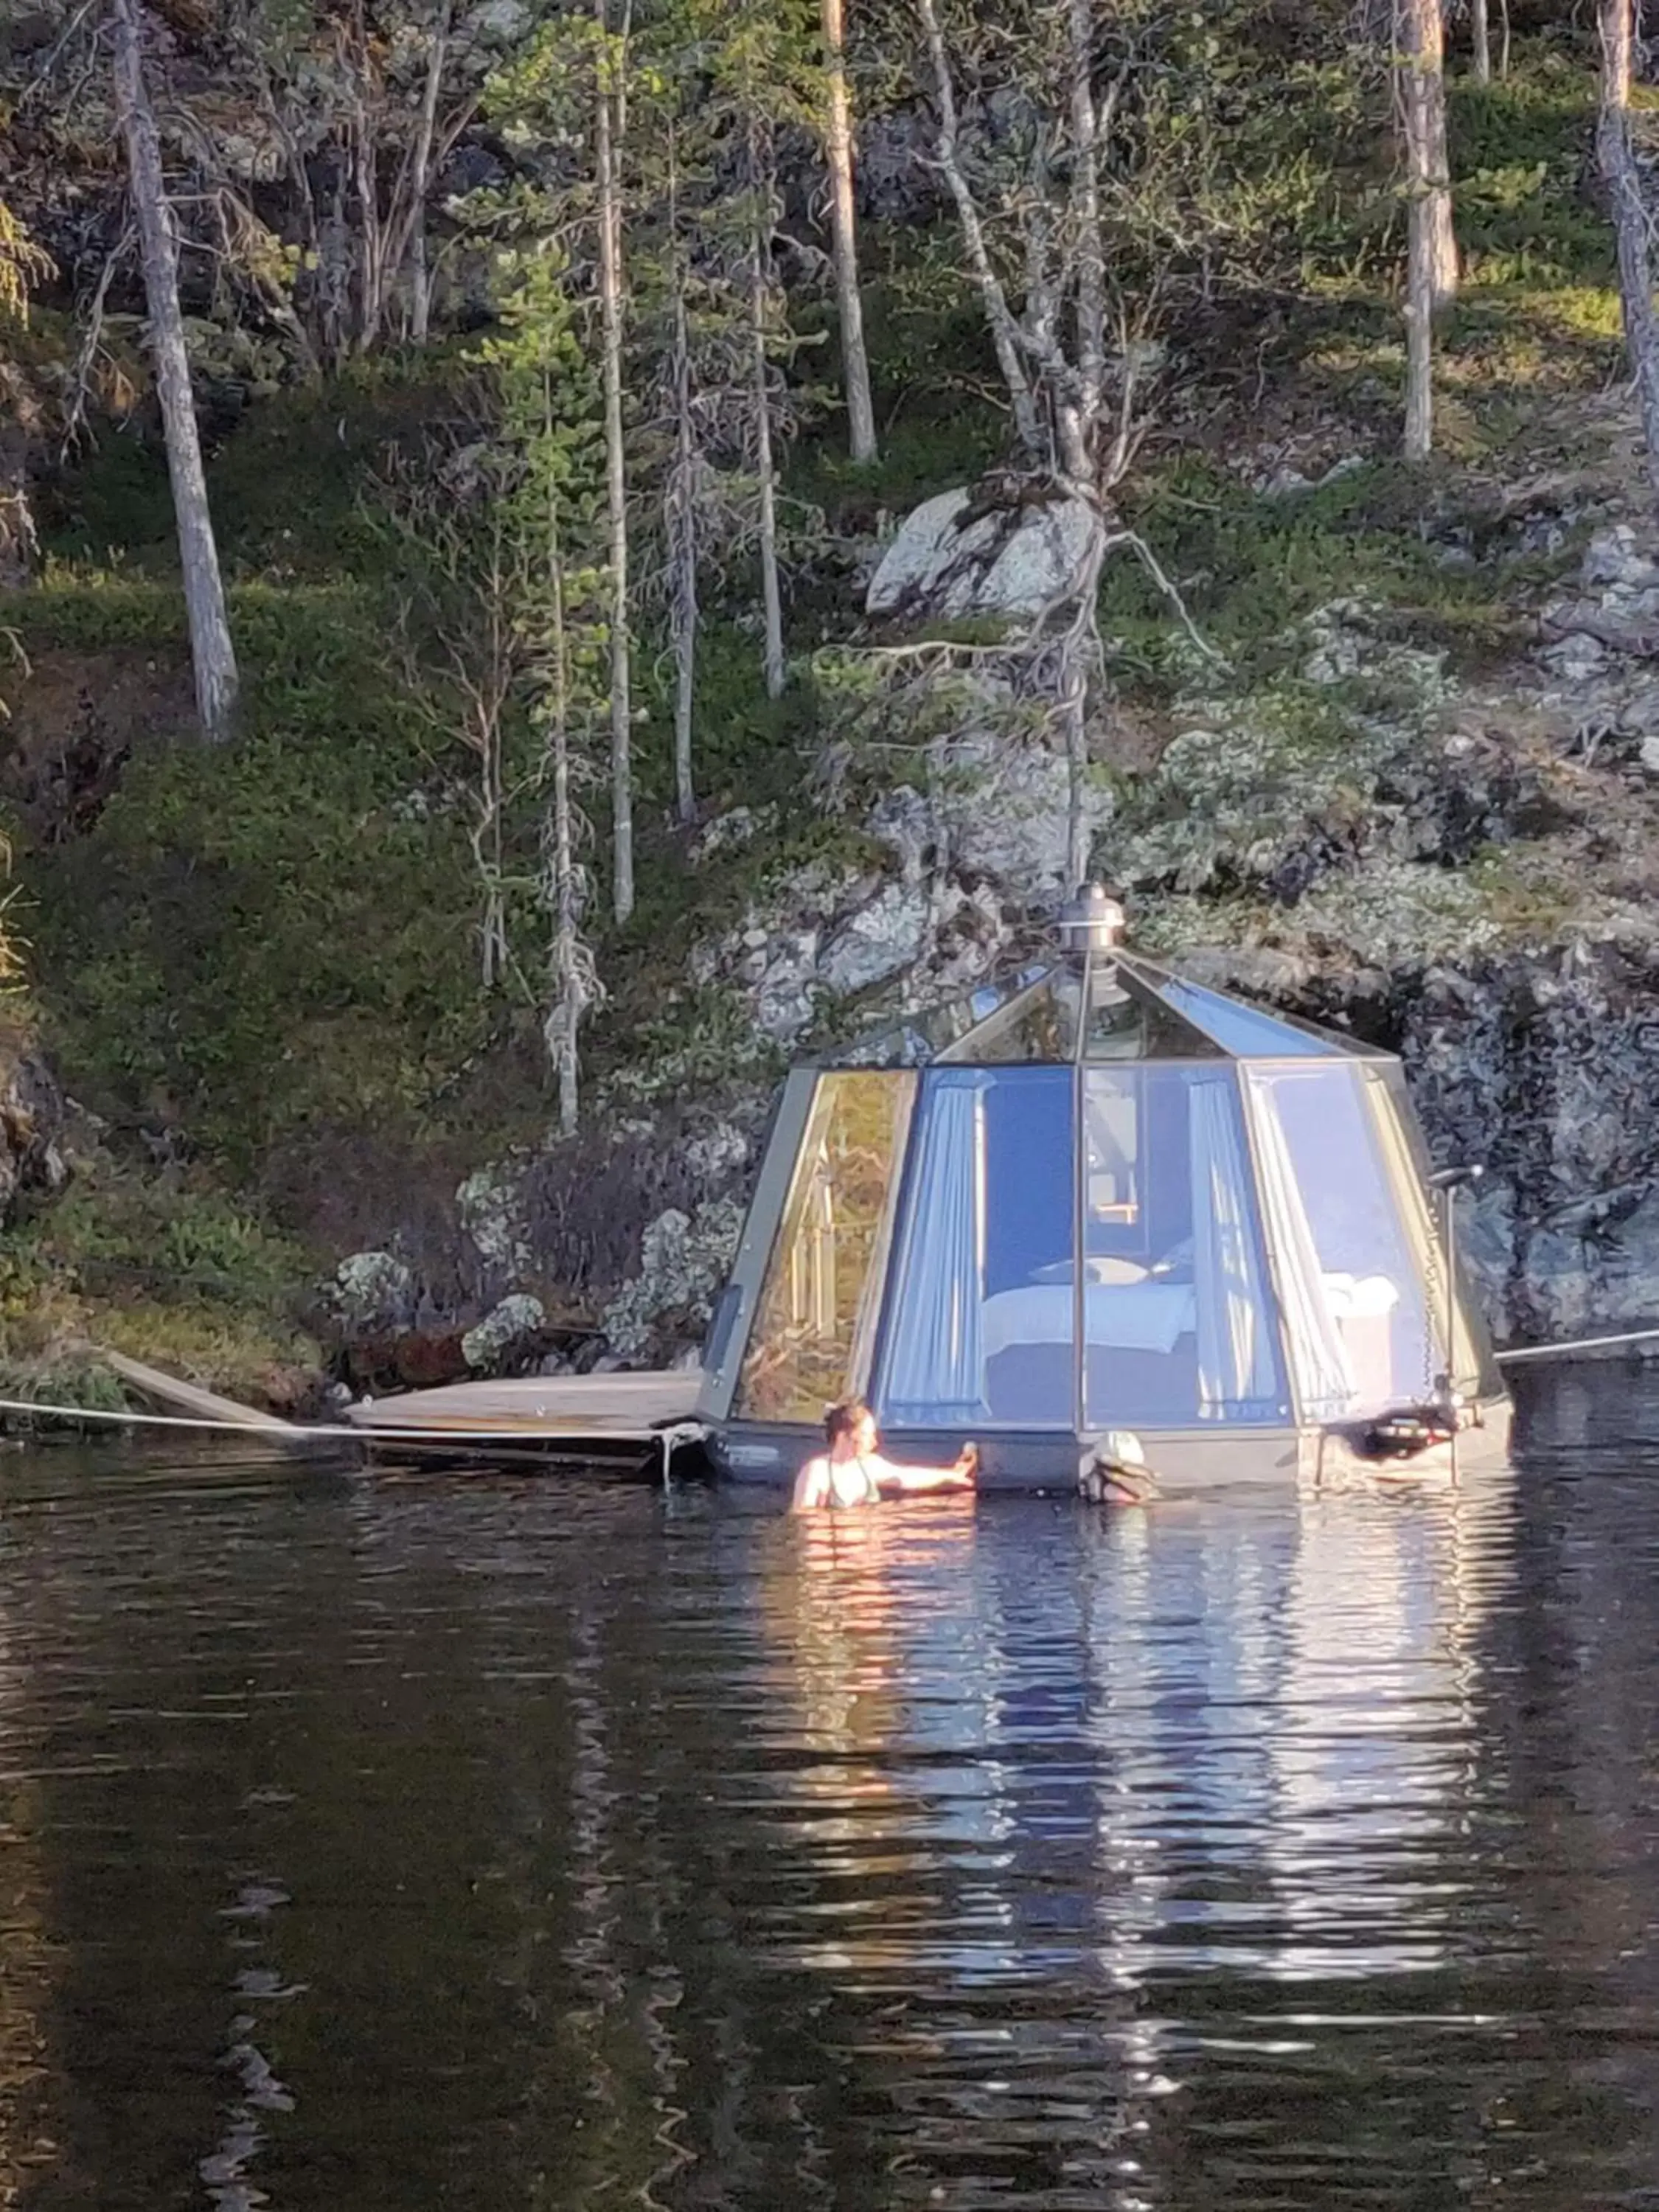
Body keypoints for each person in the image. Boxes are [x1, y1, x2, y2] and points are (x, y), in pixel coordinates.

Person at [790, 1398, 978, 1513]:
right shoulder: (817, 1472)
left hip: (864, 1559)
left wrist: (951, 1475)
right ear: (843, 1436)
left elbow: (905, 1476)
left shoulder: (870, 1465)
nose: (874, 1443)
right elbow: (803, 1521)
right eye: (866, 1435)